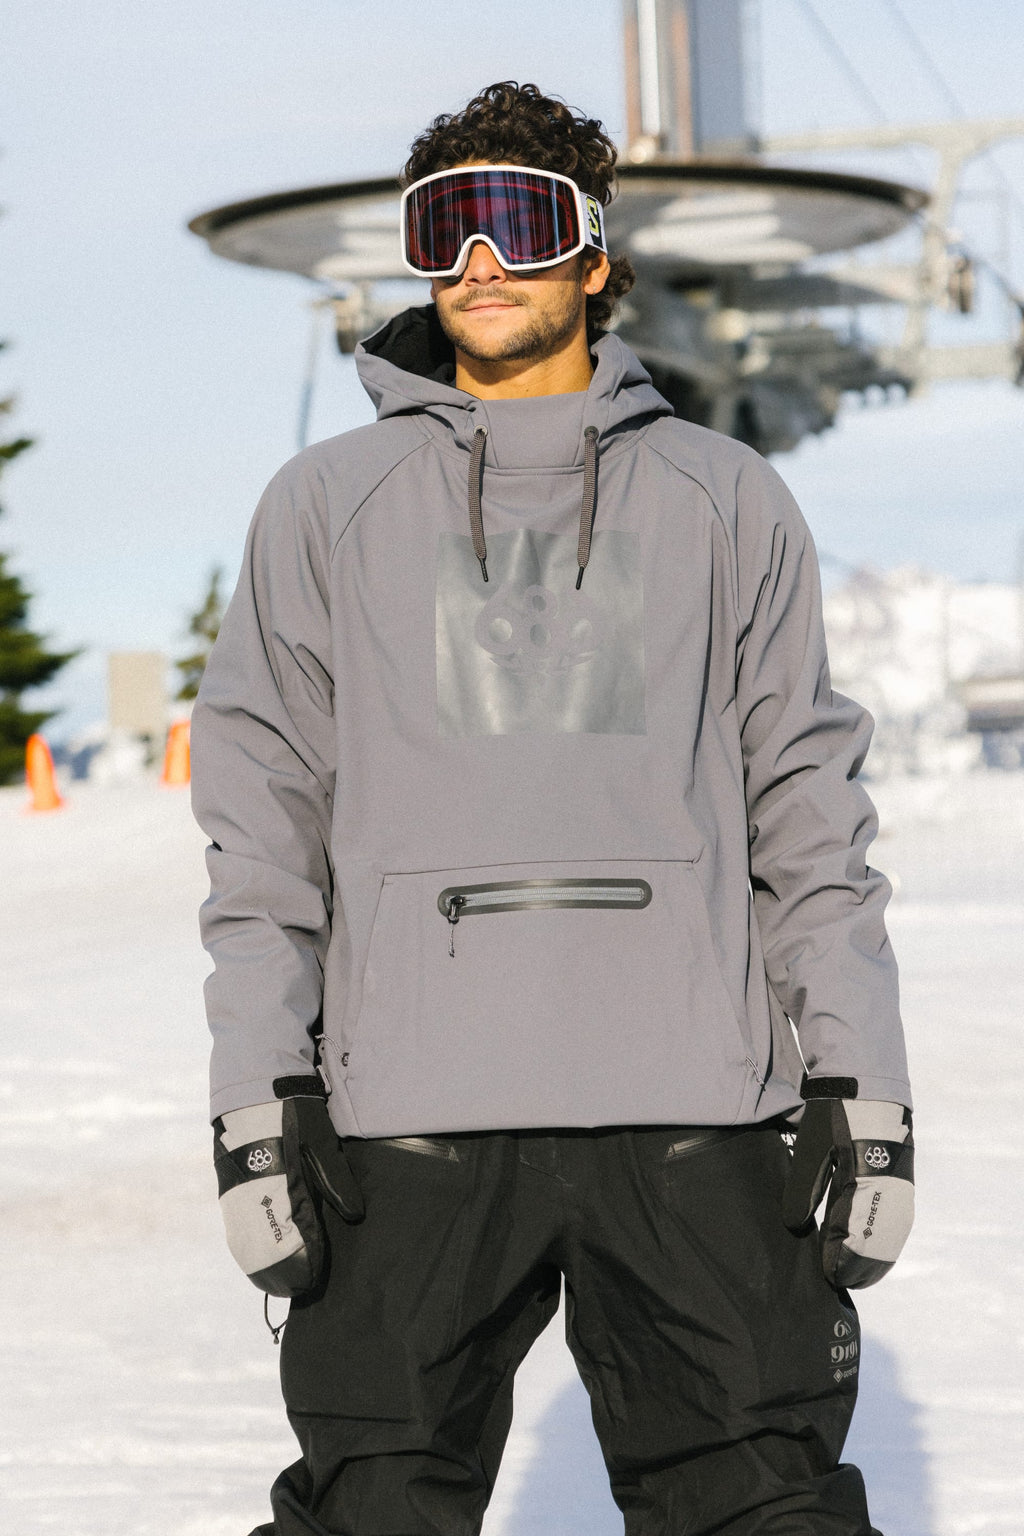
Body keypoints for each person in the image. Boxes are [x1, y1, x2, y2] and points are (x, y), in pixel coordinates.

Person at [192, 81, 915, 1536]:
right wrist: (254, 1102)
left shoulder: (727, 498)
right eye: (441, 226)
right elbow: (262, 826)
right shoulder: (321, 506)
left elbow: (808, 811)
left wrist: (866, 1084)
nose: (476, 261)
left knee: (762, 1505)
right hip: (410, 1111)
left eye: (519, 222)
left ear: (593, 258)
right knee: (370, 1510)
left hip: (693, 1108)